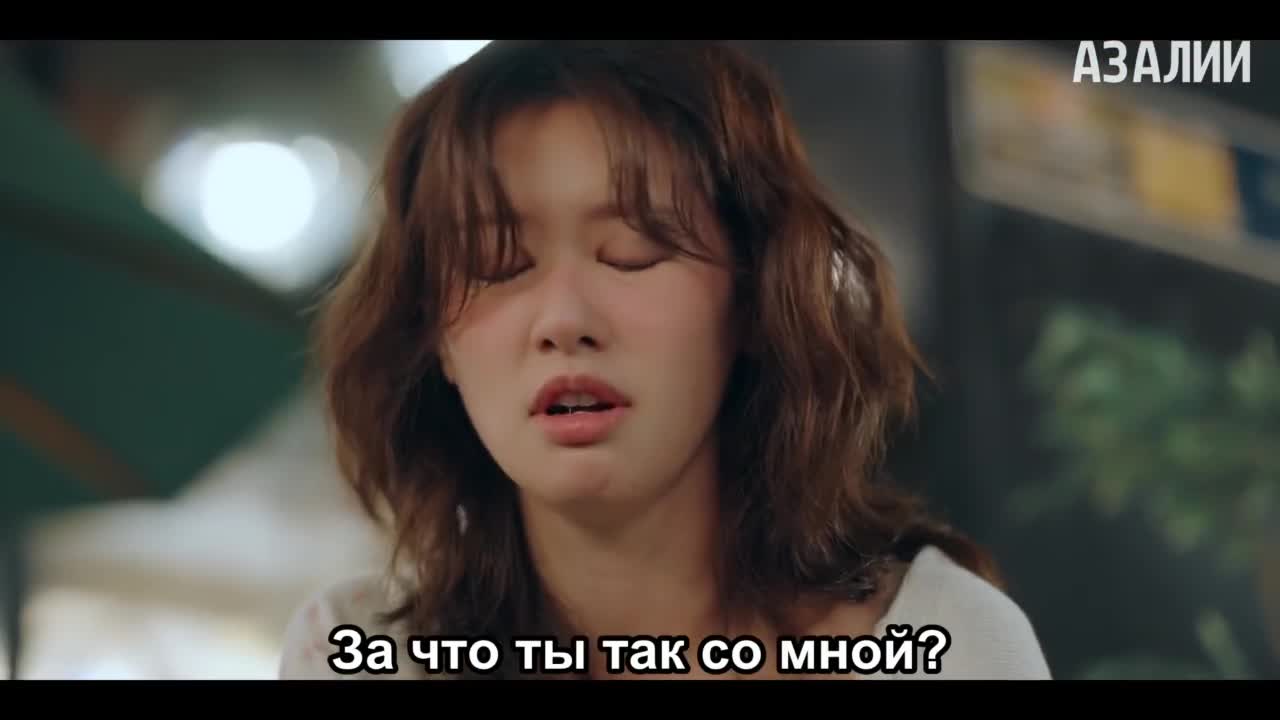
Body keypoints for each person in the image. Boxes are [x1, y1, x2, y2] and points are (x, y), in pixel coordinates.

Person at [279, 40, 1051, 680]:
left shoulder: (937, 643)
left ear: (752, 299)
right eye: (499, 262)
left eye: (632, 252)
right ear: (435, 339)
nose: (565, 321)